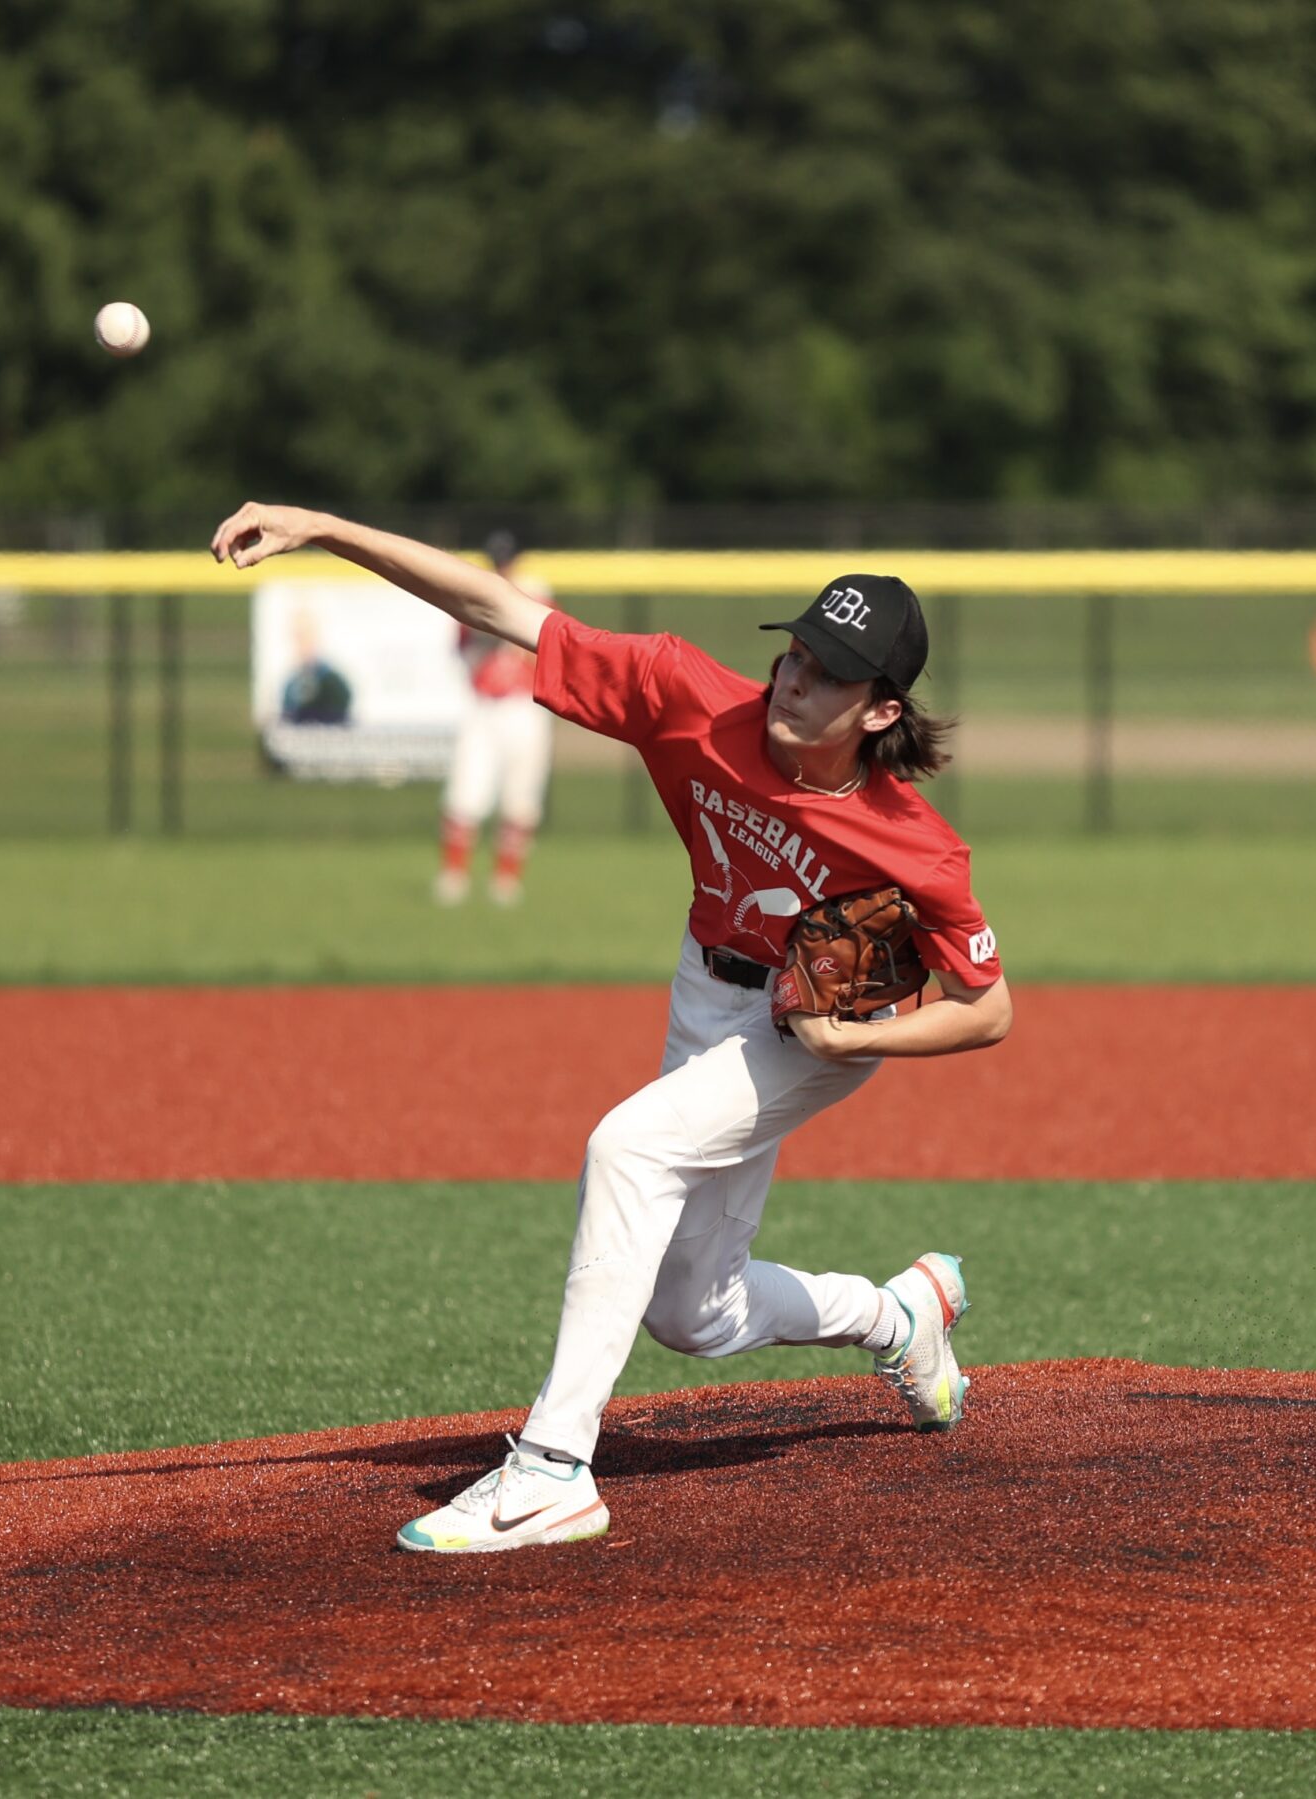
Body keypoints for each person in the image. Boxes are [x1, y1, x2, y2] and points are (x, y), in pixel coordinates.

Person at [210, 503, 1013, 1554]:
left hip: (811, 1032)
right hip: (705, 989)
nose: (795, 677)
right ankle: (896, 1315)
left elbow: (988, 1008)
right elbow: (499, 607)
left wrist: (858, 1042)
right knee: (695, 1313)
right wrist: (321, 529)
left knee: (627, 1146)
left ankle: (551, 1468)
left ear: (877, 711)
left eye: (828, 671)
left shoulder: (916, 845)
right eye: (796, 650)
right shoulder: (688, 696)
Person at [434, 530, 556, 906]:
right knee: (466, 793)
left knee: (521, 798)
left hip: (524, 705)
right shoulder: (476, 589)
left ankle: (506, 881)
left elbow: (549, 649)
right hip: (485, 705)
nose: (502, 565)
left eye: (507, 559)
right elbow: (463, 644)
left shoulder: (536, 592)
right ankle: (453, 877)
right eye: (497, 559)